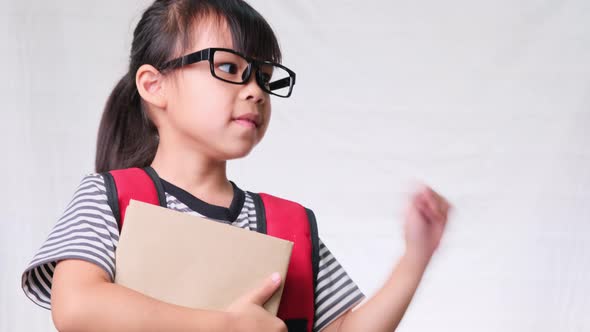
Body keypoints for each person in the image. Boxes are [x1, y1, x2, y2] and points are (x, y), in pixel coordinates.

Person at [20, 1, 451, 331]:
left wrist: (416, 257)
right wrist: (224, 324)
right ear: (154, 85)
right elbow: (76, 306)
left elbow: (344, 328)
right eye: (230, 68)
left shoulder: (290, 227)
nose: (255, 92)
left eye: (264, 77)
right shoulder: (110, 199)